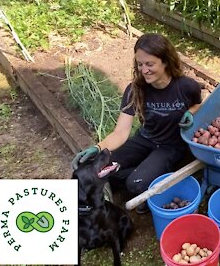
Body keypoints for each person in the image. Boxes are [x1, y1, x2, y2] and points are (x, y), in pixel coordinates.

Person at [71, 33, 202, 214]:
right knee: (99, 169)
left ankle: (148, 176)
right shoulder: (135, 90)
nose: (144, 70)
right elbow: (121, 133)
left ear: (165, 61)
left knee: (135, 185)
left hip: (170, 146)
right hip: (145, 139)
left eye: (150, 64)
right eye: (140, 64)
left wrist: (190, 112)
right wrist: (97, 147)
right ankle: (146, 174)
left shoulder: (186, 86)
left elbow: (198, 104)